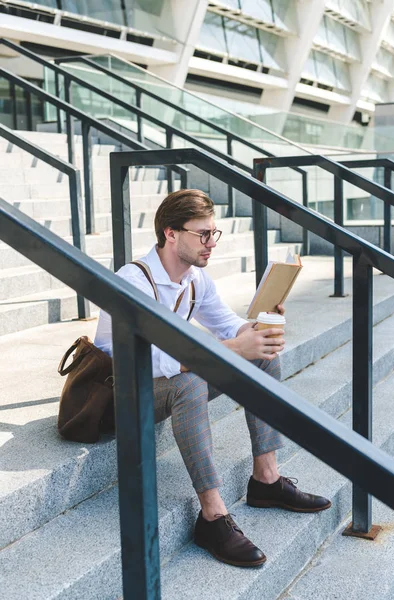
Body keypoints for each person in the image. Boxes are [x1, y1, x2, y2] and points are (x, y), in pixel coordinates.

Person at [94, 189, 331, 567]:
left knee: (261, 360)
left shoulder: (193, 279)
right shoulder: (133, 281)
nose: (211, 244)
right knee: (190, 382)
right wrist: (237, 347)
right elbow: (154, 359)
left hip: (159, 381)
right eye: (202, 234)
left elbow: (226, 324)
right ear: (171, 234)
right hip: (119, 393)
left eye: (214, 234)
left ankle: (266, 480)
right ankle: (213, 516)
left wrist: (257, 328)